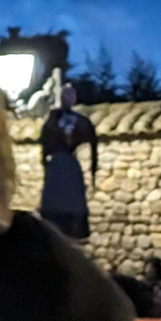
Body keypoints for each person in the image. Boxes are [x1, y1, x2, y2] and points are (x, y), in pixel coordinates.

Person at [37, 85, 97, 240]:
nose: (67, 99)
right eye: (65, 96)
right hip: (57, 167)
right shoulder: (53, 119)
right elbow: (44, 143)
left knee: (71, 203)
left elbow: (93, 144)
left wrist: (93, 171)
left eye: (70, 96)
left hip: (68, 167)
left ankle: (71, 231)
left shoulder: (79, 121)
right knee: (56, 204)